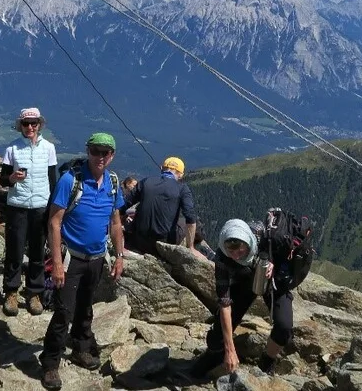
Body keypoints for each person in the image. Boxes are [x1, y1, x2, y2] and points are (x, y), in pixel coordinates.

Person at [40, 133, 127, 391]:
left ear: (112, 155)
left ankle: (80, 347)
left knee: (86, 306)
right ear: (88, 151)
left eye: (106, 152)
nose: (100, 157)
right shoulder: (70, 181)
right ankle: (50, 363)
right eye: (96, 151)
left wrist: (120, 256)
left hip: (97, 258)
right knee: (63, 311)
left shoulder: (112, 182)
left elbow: (115, 222)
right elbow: (54, 222)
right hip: (71, 258)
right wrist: (56, 263)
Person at [189, 219, 294, 379]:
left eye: (240, 249)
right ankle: (215, 354)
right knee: (218, 335)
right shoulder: (222, 259)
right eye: (231, 251)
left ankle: (268, 360)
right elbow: (225, 303)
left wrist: (273, 262)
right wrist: (230, 350)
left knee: (284, 326)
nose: (236, 255)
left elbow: (278, 250)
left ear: (248, 241)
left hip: (271, 277)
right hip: (245, 281)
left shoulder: (260, 232)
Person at [0, 107, 58, 317]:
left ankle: (34, 293)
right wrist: (12, 179)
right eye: (26, 124)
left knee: (37, 252)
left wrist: (53, 207)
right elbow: (2, 180)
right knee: (14, 251)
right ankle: (11, 292)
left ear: (40, 125)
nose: (30, 127)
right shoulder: (12, 149)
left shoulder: (49, 148)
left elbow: (53, 179)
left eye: (34, 123)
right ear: (20, 126)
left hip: (40, 206)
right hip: (17, 206)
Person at [123, 156, 197, 256]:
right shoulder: (182, 188)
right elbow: (190, 217)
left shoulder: (145, 182)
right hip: (164, 243)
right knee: (197, 224)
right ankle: (196, 248)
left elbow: (123, 204)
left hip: (139, 241)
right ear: (181, 175)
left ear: (162, 168)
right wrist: (190, 247)